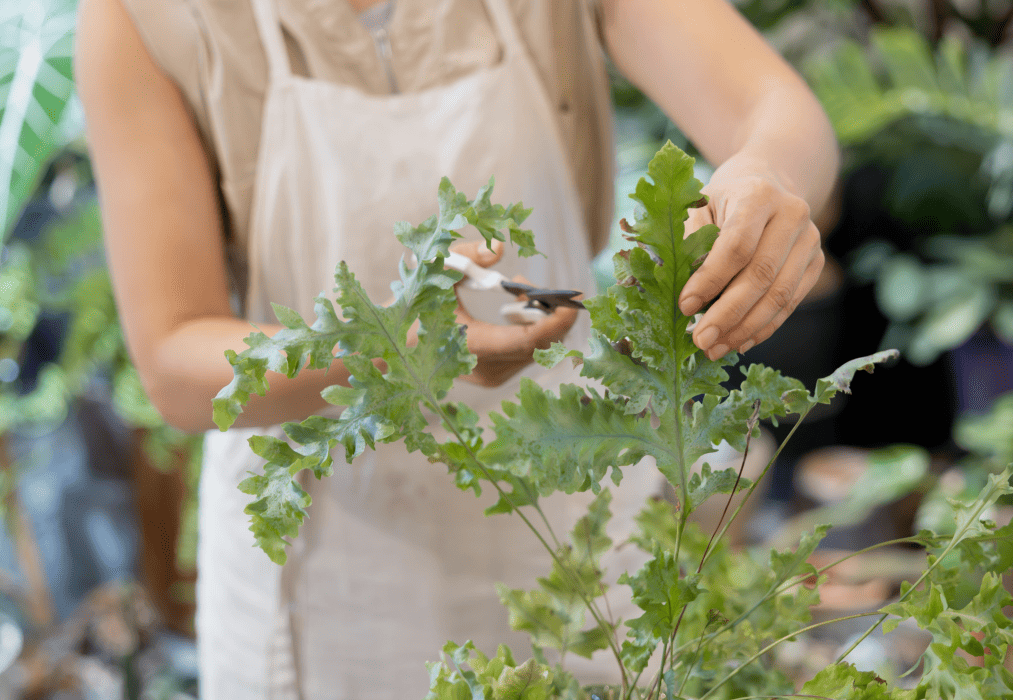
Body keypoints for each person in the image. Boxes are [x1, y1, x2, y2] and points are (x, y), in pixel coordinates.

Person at [75, 0, 840, 697]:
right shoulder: (145, 17)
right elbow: (176, 362)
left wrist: (768, 174)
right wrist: (403, 351)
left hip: (579, 523)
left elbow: (773, 109)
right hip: (331, 583)